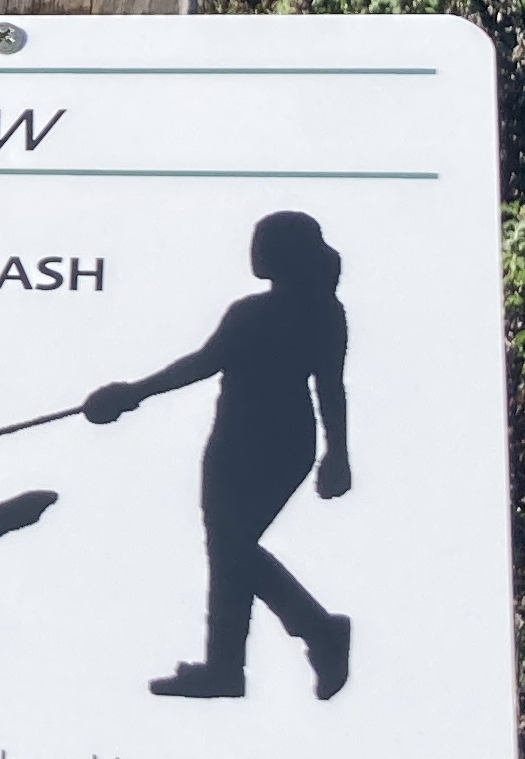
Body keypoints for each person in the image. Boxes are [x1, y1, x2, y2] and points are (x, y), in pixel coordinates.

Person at [83, 210, 352, 700]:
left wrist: (132, 393)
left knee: (232, 550)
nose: (254, 251)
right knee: (230, 552)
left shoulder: (262, 313)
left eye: (263, 243)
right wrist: (335, 452)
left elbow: (206, 365)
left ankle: (312, 633)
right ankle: (232, 665)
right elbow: (327, 388)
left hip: (254, 442)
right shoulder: (323, 312)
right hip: (261, 441)